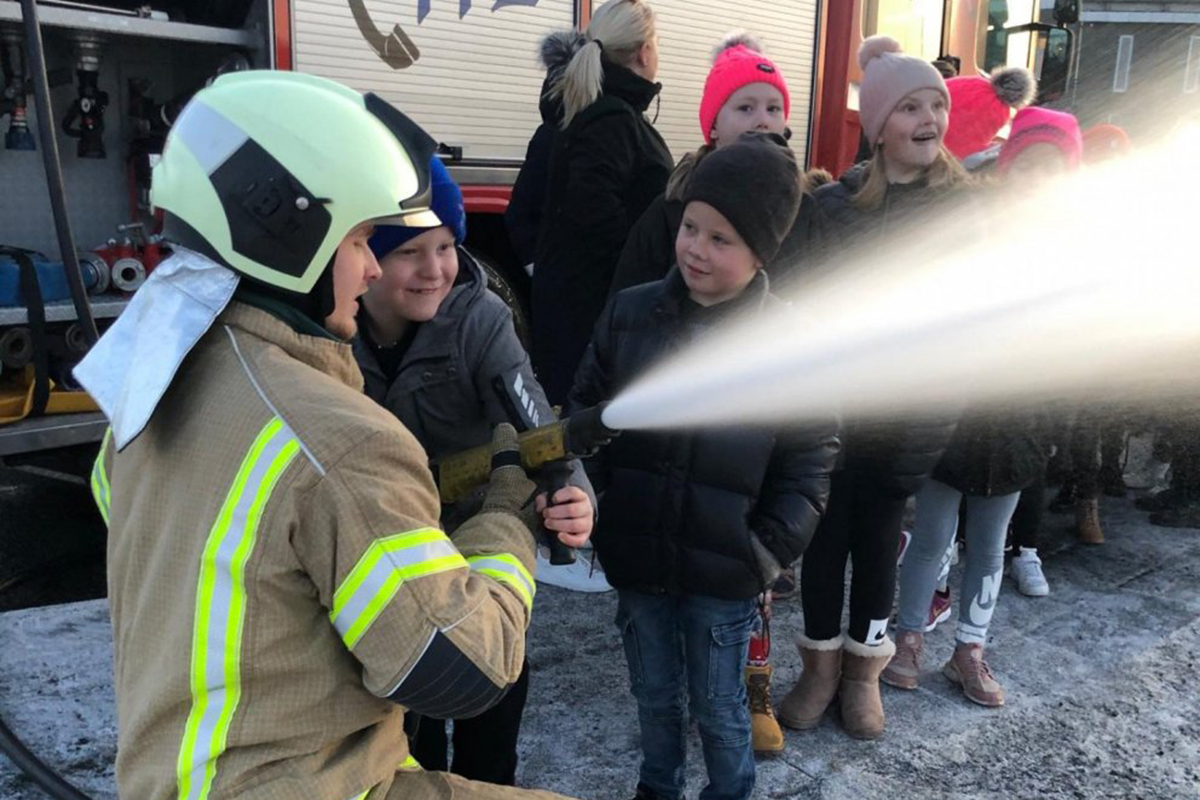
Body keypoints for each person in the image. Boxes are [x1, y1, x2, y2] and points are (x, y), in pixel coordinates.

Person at [76, 71, 570, 800]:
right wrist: (508, 514)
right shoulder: (336, 437)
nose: (372, 266)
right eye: (366, 238)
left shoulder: (154, 371)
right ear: (291, 234)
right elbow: (462, 667)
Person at [569, 133, 840, 800]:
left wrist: (763, 550)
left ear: (761, 252)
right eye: (691, 227)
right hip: (638, 560)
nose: (695, 248)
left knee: (722, 711)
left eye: (721, 239)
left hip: (726, 572)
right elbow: (586, 414)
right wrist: (602, 512)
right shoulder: (632, 314)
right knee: (654, 699)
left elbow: (810, 459)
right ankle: (656, 790)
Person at [353, 155, 596, 785]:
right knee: (407, 741)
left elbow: (538, 427)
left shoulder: (480, 321)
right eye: (410, 251)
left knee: (490, 718)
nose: (436, 270)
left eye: (447, 246)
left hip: (473, 556)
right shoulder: (334, 331)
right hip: (383, 563)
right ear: (364, 255)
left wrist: (571, 495)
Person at [777, 35, 966, 741]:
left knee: (881, 543)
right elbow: (800, 304)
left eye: (936, 105)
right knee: (823, 543)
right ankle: (819, 668)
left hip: (910, 417)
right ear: (879, 125)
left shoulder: (962, 209)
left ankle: (864, 674)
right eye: (910, 106)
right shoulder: (833, 206)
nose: (928, 117)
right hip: (835, 413)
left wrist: (934, 421)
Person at [532, 0, 672, 405]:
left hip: (580, 304)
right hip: (594, 309)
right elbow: (593, 208)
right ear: (645, 51)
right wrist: (636, 266)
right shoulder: (612, 118)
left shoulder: (598, 109)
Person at [609, 33, 820, 297]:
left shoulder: (805, 211)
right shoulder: (672, 207)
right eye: (745, 108)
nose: (763, 121)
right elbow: (627, 308)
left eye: (774, 109)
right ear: (714, 126)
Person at [883, 410, 1049, 706]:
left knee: (989, 549)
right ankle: (908, 640)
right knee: (929, 541)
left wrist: (1044, 436)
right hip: (947, 437)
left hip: (1014, 442)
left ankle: (969, 651)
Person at [505, 29, 587, 271]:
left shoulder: (550, 134)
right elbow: (521, 212)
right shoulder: (554, 138)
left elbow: (520, 212)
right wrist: (539, 268)